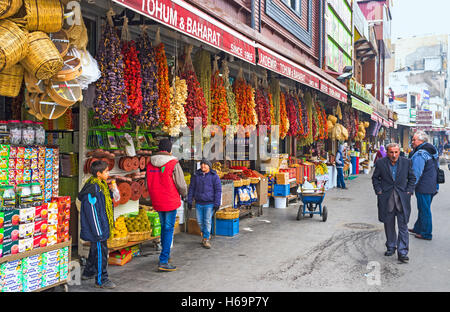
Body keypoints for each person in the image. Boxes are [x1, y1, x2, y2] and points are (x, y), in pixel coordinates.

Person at [146, 139, 188, 271]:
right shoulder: (173, 163)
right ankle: (163, 260)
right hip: (170, 200)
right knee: (168, 228)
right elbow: (181, 184)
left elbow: (147, 182)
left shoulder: (150, 163)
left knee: (164, 227)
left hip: (157, 200)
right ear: (170, 150)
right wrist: (185, 194)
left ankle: (166, 255)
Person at [372, 143, 416, 264]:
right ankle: (391, 246)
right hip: (387, 199)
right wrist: (379, 191)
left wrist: (409, 191)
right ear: (387, 152)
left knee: (403, 226)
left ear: (399, 152)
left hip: (402, 199)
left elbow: (412, 178)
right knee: (389, 225)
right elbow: (375, 178)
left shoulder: (407, 162)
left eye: (396, 152)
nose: (394, 155)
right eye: (391, 152)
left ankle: (402, 252)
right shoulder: (381, 163)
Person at [78, 160, 117, 289]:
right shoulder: (92, 189)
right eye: (106, 171)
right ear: (99, 173)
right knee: (101, 252)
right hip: (98, 228)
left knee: (95, 250)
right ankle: (101, 279)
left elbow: (107, 201)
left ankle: (88, 271)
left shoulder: (101, 185)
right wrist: (98, 232)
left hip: (101, 226)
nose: (108, 173)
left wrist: (113, 190)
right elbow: (92, 212)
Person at [408, 130, 439, 241]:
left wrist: (411, 187)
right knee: (423, 208)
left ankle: (426, 233)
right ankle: (418, 228)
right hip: (432, 184)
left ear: (421, 140)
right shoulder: (431, 149)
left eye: (414, 139)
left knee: (424, 209)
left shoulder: (421, 153)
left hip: (424, 186)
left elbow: (416, 172)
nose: (412, 141)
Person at [187, 158, 222, 249]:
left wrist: (217, 203)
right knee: (199, 221)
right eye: (202, 164)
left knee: (207, 221)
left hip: (209, 203)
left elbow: (218, 191)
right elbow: (191, 188)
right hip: (199, 202)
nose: (203, 166)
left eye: (205, 164)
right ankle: (205, 234)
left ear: (209, 166)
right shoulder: (196, 175)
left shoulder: (214, 176)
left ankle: (206, 239)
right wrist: (189, 200)